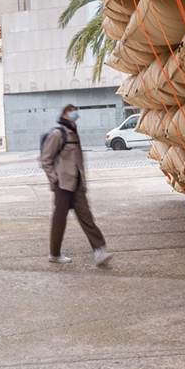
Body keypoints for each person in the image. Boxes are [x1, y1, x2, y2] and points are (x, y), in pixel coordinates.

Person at [40, 104, 112, 266]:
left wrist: (84, 183)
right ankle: (55, 254)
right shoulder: (58, 134)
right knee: (60, 220)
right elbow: (46, 160)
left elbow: (79, 162)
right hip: (63, 185)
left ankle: (99, 250)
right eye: (71, 111)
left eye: (75, 110)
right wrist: (54, 181)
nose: (74, 113)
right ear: (64, 115)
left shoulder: (74, 133)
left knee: (86, 217)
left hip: (77, 185)